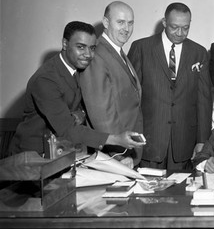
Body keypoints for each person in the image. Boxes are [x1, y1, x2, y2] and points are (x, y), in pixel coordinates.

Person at [10, 21, 144, 155]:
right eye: (81, 47)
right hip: (32, 158)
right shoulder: (46, 79)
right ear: (64, 44)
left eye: (92, 48)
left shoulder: (78, 69)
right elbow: (67, 129)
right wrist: (116, 139)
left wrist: (79, 115)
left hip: (60, 152)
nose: (88, 54)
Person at [128, 2, 212, 171]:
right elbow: (130, 98)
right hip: (149, 141)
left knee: (182, 193)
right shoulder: (141, 48)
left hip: (184, 144)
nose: (180, 33)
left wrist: (202, 140)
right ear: (164, 22)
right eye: (174, 27)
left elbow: (204, 99)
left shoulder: (199, 52)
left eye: (185, 28)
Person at [80, 1, 143, 167]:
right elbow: (101, 115)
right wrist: (118, 156)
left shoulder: (117, 52)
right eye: (120, 22)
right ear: (106, 22)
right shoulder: (98, 54)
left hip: (124, 152)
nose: (126, 28)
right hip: (112, 156)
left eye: (130, 23)